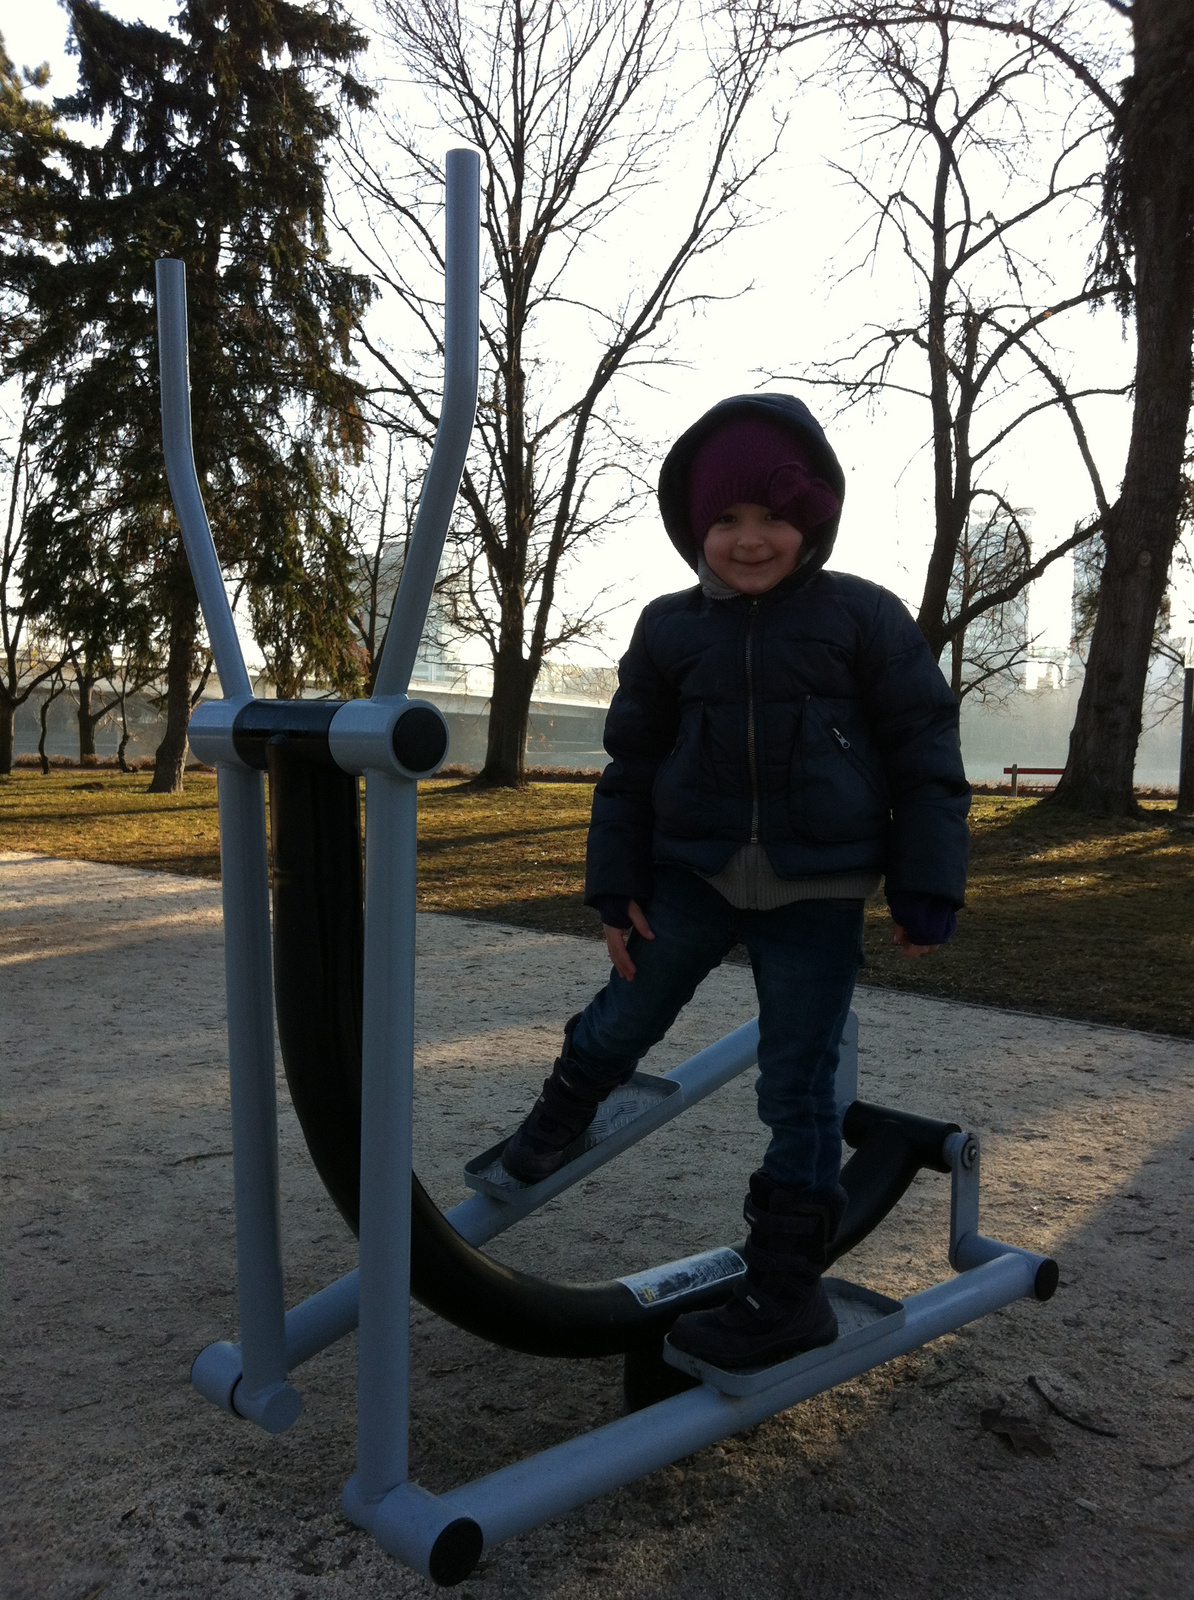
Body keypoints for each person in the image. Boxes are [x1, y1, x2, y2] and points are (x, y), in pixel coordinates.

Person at [501, 394, 970, 1371]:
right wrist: (611, 885)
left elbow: (925, 747)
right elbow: (630, 765)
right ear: (694, 528)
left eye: (773, 517)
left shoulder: (862, 618)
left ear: (815, 520)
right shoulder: (670, 630)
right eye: (726, 520)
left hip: (821, 886)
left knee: (799, 1089)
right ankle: (563, 1108)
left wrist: (928, 883)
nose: (750, 540)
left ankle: (785, 1290)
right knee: (627, 1014)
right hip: (694, 875)